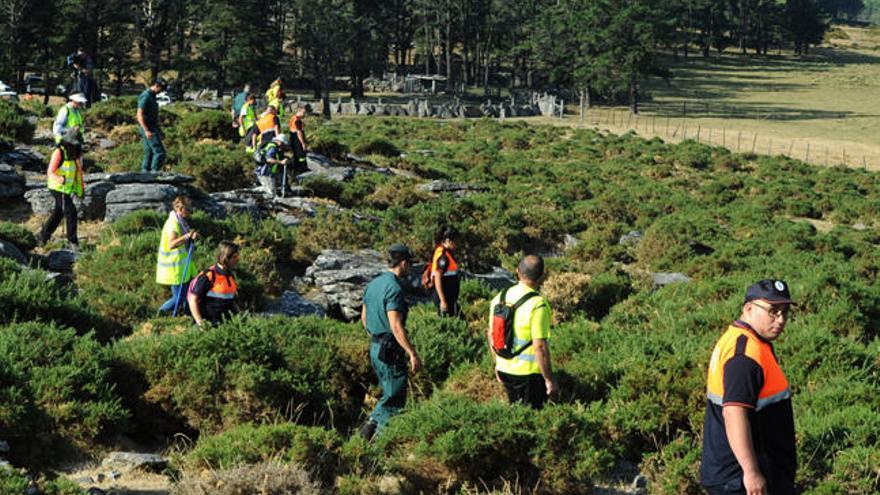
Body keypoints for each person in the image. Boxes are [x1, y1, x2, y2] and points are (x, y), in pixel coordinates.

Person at [701, 280, 797, 495]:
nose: (780, 320)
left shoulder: (744, 341)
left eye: (784, 312)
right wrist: (751, 472)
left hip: (738, 474)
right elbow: (734, 412)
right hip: (740, 480)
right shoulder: (745, 355)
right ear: (749, 309)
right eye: (772, 311)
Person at [359, 243, 422, 440]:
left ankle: (367, 433)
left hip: (376, 347)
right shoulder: (394, 288)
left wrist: (376, 337)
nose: (410, 268)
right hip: (389, 350)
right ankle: (379, 442)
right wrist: (412, 353)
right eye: (409, 263)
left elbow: (363, 317)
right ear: (403, 263)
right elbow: (396, 326)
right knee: (394, 397)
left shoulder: (373, 284)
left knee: (388, 392)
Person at [487, 254, 556, 409]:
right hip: (528, 375)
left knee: (516, 416)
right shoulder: (538, 304)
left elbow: (491, 334)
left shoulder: (499, 297)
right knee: (531, 419)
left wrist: (497, 364)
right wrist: (549, 380)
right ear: (542, 277)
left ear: (517, 271)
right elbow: (540, 347)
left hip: (504, 368)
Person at [38, 128, 84, 250]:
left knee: (58, 214)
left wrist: (80, 190)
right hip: (57, 187)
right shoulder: (59, 152)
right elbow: (50, 171)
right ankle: (72, 242)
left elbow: (78, 175)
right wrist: (59, 178)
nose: (75, 146)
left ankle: (42, 237)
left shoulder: (76, 154)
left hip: (66, 189)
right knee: (71, 212)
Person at [156, 196, 199, 314]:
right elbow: (171, 244)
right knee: (179, 297)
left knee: (187, 295)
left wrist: (191, 237)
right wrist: (187, 237)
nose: (190, 212)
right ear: (180, 209)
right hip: (175, 268)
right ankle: (160, 314)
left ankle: (187, 318)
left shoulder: (181, 221)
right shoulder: (173, 224)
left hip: (183, 267)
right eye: (188, 209)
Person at [188, 240, 240, 327]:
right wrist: (200, 323)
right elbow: (192, 300)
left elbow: (231, 301)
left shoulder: (231, 276)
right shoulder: (208, 276)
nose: (238, 259)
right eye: (235, 257)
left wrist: (240, 316)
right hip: (208, 326)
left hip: (225, 325)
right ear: (225, 258)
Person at [137, 79, 166, 173]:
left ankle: (145, 173)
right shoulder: (146, 96)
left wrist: (159, 131)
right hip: (147, 127)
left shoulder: (153, 96)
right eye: (161, 89)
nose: (161, 91)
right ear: (156, 86)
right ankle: (155, 172)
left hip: (152, 127)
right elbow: (139, 114)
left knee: (149, 152)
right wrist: (146, 130)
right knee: (159, 152)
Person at [430, 227, 461, 317]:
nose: (456, 244)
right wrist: (443, 301)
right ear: (448, 240)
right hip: (445, 298)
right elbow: (437, 277)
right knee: (454, 322)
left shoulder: (446, 253)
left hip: (450, 298)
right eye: (455, 241)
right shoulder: (443, 256)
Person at [256, 133, 292, 198]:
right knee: (271, 194)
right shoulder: (272, 147)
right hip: (265, 173)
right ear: (280, 142)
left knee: (272, 192)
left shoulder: (273, 146)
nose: (283, 146)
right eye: (283, 144)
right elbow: (268, 159)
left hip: (268, 173)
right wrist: (281, 162)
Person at [288, 103, 309, 172]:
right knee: (301, 155)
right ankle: (303, 168)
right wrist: (303, 143)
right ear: (299, 110)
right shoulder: (297, 120)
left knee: (295, 155)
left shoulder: (292, 118)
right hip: (297, 139)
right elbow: (299, 132)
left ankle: (296, 169)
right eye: (303, 112)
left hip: (292, 138)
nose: (304, 114)